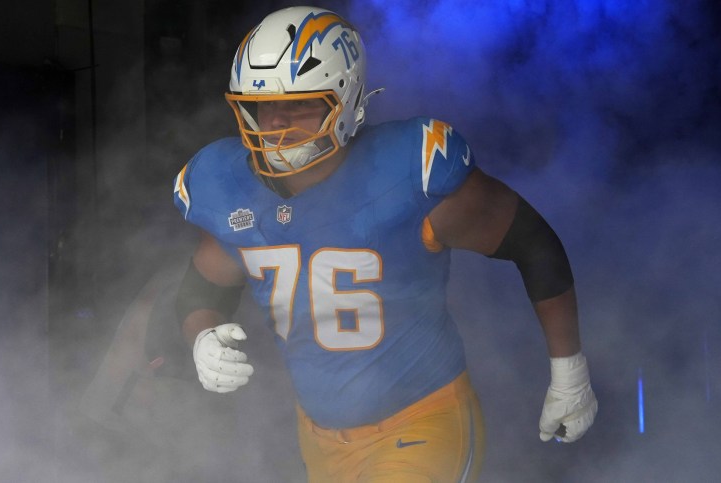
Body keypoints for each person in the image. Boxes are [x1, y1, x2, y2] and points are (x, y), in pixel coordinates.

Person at [171, 5, 597, 482]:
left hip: (421, 424)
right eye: (263, 105)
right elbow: (203, 289)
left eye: (300, 105)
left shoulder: (405, 170)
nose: (275, 124)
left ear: (348, 99)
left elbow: (533, 243)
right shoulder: (226, 183)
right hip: (319, 437)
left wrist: (569, 371)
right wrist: (202, 337)